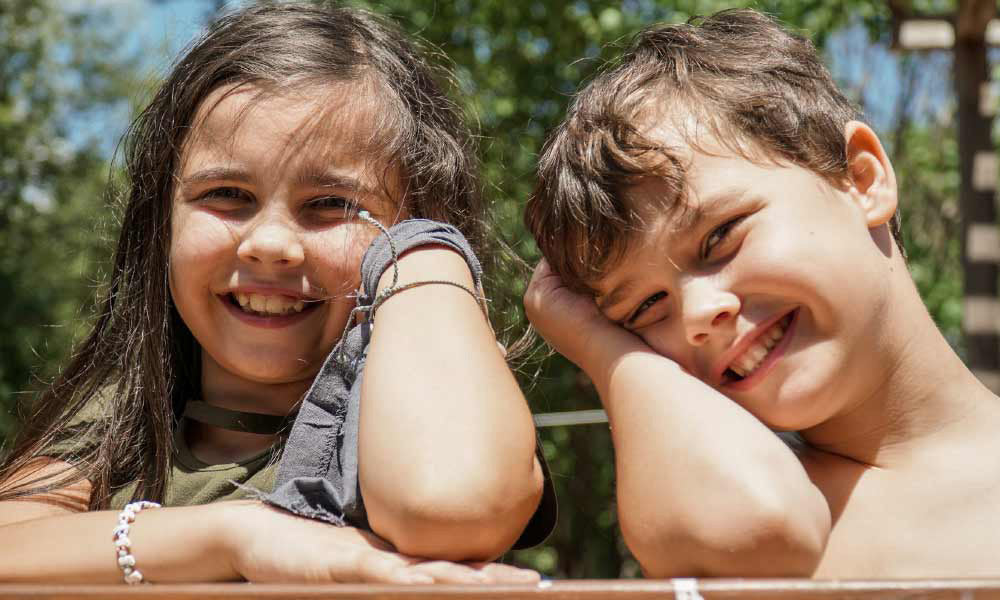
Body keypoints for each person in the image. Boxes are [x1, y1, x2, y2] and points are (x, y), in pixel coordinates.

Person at [0, 2, 553, 584]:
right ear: (160, 221)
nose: (269, 244)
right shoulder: (129, 412)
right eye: (226, 194)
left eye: (332, 204)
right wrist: (237, 536)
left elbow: (453, 508)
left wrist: (425, 253)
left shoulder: (432, 400)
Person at [524, 8, 1000, 578]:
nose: (700, 313)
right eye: (646, 308)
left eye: (720, 237)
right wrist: (600, 346)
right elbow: (749, 527)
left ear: (861, 179)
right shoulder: (752, 516)